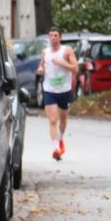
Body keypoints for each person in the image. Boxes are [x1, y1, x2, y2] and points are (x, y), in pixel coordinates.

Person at [36, 27, 78, 161]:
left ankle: (60, 140)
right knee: (53, 120)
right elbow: (41, 66)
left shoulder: (67, 51)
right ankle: (56, 148)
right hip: (49, 90)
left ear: (60, 37)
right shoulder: (45, 52)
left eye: (55, 35)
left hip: (64, 90)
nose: (53, 38)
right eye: (51, 35)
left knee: (63, 121)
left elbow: (75, 69)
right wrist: (41, 69)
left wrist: (61, 63)